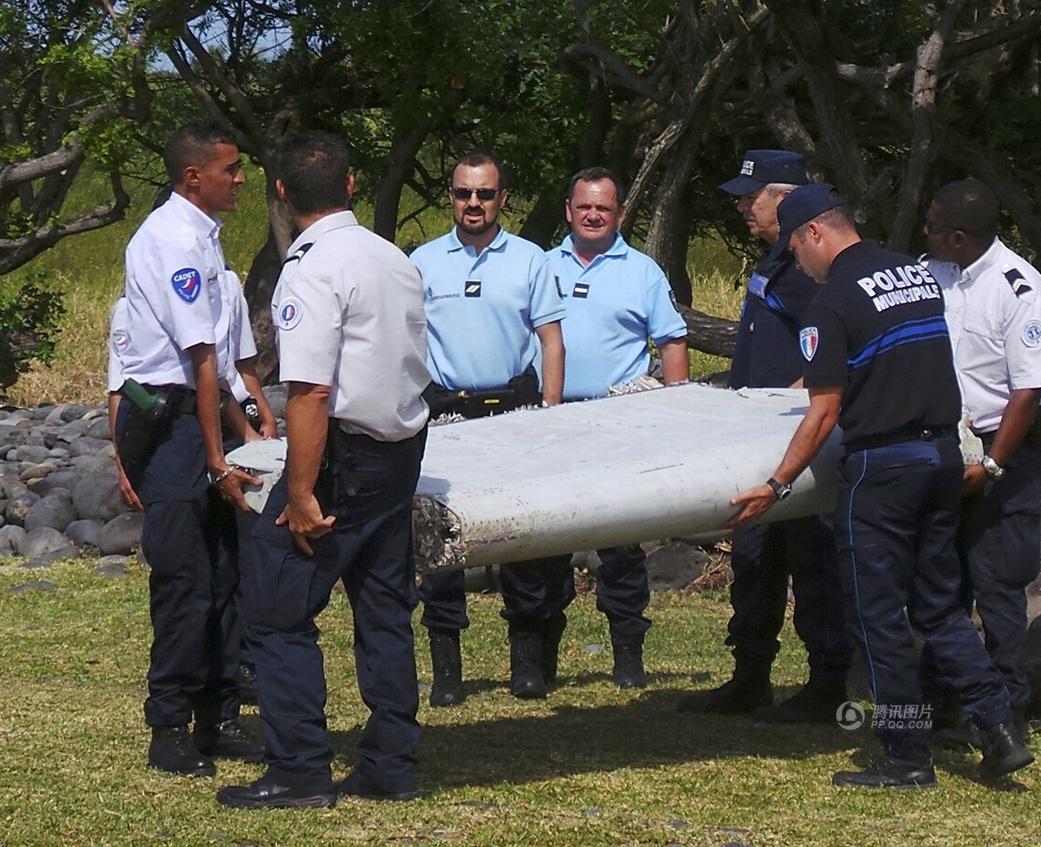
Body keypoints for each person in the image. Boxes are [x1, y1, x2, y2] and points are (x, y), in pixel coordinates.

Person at [728, 183, 1034, 788]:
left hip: (881, 470)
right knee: (941, 607)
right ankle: (999, 731)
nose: (800, 268)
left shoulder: (833, 300)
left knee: (878, 618)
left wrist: (776, 483)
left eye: (796, 251)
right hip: (942, 458)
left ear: (814, 233)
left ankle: (906, 755)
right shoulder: (915, 274)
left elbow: (821, 413)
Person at [217, 131, 430, 809]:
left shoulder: (310, 269)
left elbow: (309, 391)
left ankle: (301, 767)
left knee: (277, 609)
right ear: (350, 185)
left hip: (343, 459)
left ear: (281, 192)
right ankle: (392, 761)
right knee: (384, 609)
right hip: (400, 450)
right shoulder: (393, 257)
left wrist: (302, 491)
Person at [677, 150, 852, 722]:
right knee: (754, 565)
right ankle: (750, 674)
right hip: (754, 443)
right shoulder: (777, 260)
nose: (741, 207)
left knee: (812, 563)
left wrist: (791, 403)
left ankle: (826, 684)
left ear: (788, 197)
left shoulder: (809, 268)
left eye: (752, 197)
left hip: (794, 442)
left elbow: (831, 351)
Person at [116, 121, 263, 777]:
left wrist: (250, 435)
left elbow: (226, 369)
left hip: (204, 415)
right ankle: (168, 722)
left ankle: (219, 713)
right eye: (230, 169)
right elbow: (199, 360)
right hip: (172, 423)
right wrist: (214, 458)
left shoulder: (207, 241)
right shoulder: (171, 240)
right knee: (184, 577)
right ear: (193, 177)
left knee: (225, 572)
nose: (240, 179)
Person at [411, 152, 569, 705]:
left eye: (484, 194)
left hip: (515, 409)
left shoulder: (531, 260)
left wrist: (550, 410)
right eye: (462, 194)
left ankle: (525, 664)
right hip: (446, 411)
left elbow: (551, 339)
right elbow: (407, 342)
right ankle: (448, 671)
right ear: (450, 196)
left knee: (520, 538)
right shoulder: (423, 261)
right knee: (441, 540)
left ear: (503, 198)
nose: (472, 204)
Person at [921, 179, 1041, 734]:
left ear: (959, 236)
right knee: (941, 575)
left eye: (931, 226)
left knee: (997, 582)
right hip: (944, 443)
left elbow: (1028, 393)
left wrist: (993, 465)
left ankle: (1008, 708)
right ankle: (941, 695)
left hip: (1003, 448)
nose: (923, 234)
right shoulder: (934, 274)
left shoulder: (1020, 290)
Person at [545, 165, 689, 688]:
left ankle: (628, 655)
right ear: (569, 209)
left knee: (622, 550)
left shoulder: (643, 272)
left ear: (620, 213)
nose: (592, 215)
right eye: (583, 206)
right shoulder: (541, 266)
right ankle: (540, 660)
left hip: (617, 422)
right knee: (546, 542)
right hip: (553, 421)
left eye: (603, 208)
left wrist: (674, 414)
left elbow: (672, 342)